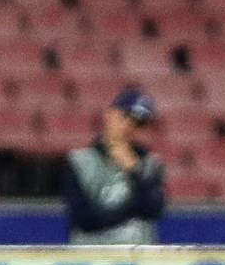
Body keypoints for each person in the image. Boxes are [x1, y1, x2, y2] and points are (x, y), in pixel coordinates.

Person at [63, 87, 165, 244]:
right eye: (125, 117)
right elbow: (84, 220)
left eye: (139, 123)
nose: (129, 126)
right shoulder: (79, 162)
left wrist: (134, 171)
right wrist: (133, 209)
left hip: (138, 255)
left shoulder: (151, 164)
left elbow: (153, 209)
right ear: (109, 115)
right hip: (92, 255)